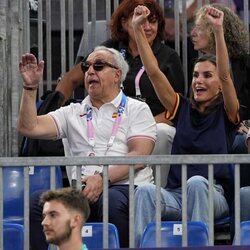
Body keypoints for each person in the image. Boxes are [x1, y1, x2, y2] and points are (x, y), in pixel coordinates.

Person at [18, 46, 156, 248]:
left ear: (117, 75)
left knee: (112, 201)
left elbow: (140, 155)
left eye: (98, 66)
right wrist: (30, 89)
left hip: (126, 186)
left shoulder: (137, 109)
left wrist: (102, 179)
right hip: (81, 190)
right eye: (87, 66)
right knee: (39, 202)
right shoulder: (72, 111)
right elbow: (28, 127)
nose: (90, 71)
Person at [131, 4, 239, 246]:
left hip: (211, 194)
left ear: (219, 86)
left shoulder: (227, 112)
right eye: (195, 75)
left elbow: (225, 75)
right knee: (146, 192)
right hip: (177, 196)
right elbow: (154, 73)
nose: (198, 81)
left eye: (206, 76)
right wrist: (138, 30)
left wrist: (219, 31)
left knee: (197, 183)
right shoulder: (182, 107)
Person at [58, 0, 185, 187]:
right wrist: (55, 106)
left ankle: (157, 192)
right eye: (142, 21)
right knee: (71, 126)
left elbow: (177, 107)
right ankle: (81, 189)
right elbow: (71, 79)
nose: (148, 27)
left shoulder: (168, 56)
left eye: (153, 21)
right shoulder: (109, 50)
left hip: (151, 123)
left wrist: (143, 124)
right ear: (125, 23)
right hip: (109, 119)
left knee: (162, 132)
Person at [191, 3, 250, 188]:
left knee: (242, 142)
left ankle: (240, 200)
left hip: (238, 132)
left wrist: (247, 125)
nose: (193, 33)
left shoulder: (245, 63)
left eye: (199, 28)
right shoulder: (198, 67)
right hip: (209, 131)